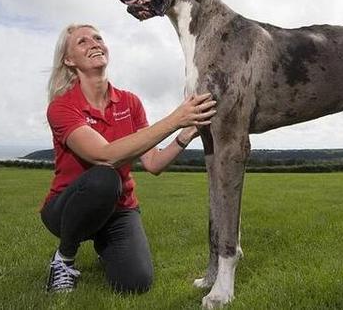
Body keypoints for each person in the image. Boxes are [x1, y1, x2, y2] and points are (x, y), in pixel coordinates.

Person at [41, 23, 216, 294]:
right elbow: (104, 156)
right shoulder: (62, 107)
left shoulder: (129, 102)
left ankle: (105, 245)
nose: (94, 43)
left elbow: (153, 164)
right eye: (82, 42)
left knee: (135, 284)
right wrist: (176, 118)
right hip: (66, 209)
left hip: (119, 209)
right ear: (68, 60)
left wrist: (185, 133)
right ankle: (63, 258)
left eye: (98, 37)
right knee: (105, 177)